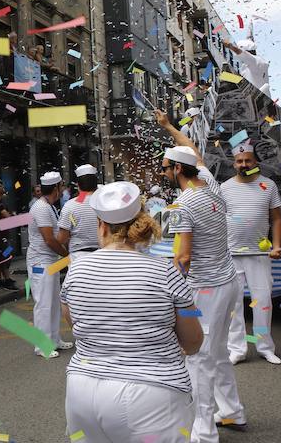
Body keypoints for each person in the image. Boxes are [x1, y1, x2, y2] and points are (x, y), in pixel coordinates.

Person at [62, 181, 204, 442]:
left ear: (102, 226)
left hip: (82, 391)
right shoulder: (164, 271)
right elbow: (194, 338)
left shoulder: (76, 270)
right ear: (141, 223)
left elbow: (74, 321)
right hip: (152, 395)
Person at [156, 109, 246, 442]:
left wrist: (169, 295)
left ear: (177, 169)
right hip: (227, 283)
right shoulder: (211, 186)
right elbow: (193, 149)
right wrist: (168, 127)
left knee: (198, 358)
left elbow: (183, 257)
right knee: (218, 352)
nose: (164, 173)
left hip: (204, 292)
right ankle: (232, 411)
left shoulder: (182, 205)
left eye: (166, 168)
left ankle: (203, 432)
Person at [221, 140, 281, 366]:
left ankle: (265, 347)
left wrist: (276, 245)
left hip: (260, 255)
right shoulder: (224, 188)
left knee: (263, 302)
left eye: (248, 160)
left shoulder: (268, 185)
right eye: (239, 161)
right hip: (231, 254)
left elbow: (277, 219)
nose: (244, 164)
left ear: (255, 161)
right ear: (234, 163)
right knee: (233, 304)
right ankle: (237, 348)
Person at [27, 171, 73, 358]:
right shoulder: (41, 208)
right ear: (56, 188)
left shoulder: (49, 206)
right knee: (44, 303)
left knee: (53, 301)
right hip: (40, 261)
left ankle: (54, 339)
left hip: (49, 261)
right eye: (61, 186)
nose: (62, 190)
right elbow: (49, 239)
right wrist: (66, 255)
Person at [58, 164, 100, 264]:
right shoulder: (105, 203)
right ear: (96, 184)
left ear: (78, 185)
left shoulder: (70, 205)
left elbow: (62, 239)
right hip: (103, 256)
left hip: (78, 258)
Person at [0, 180, 19, 290]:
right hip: (0, 233)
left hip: (3, 231)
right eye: (0, 186)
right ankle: (6, 279)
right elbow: (6, 215)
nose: (3, 187)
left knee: (1, 255)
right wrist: (13, 215)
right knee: (5, 255)